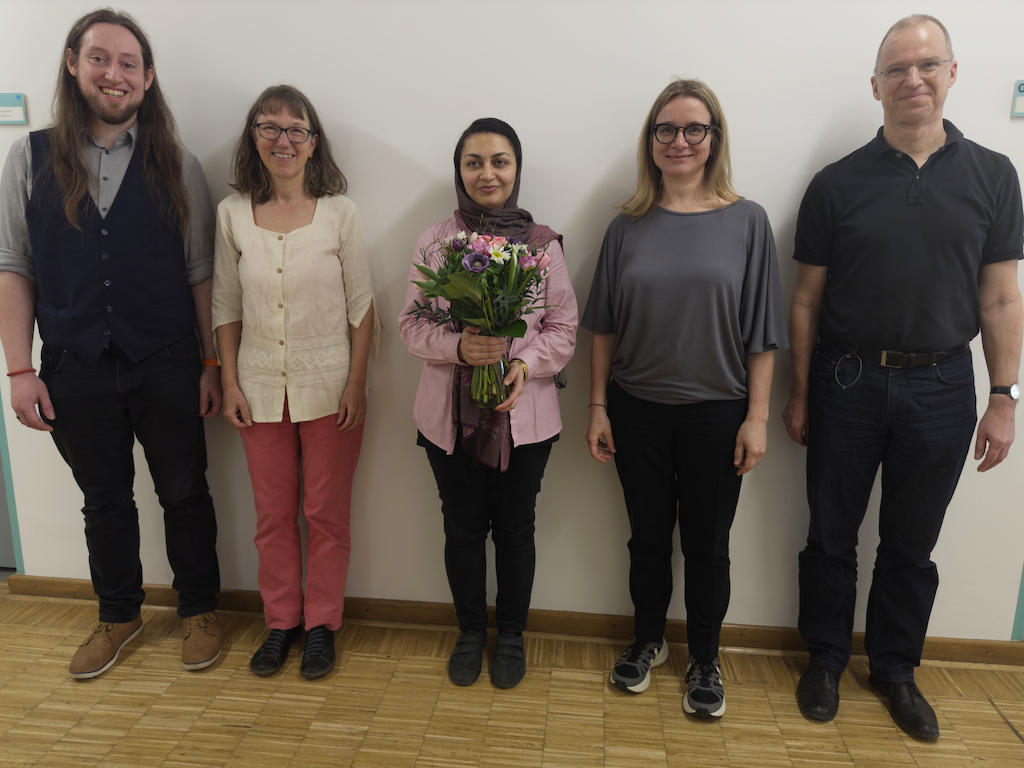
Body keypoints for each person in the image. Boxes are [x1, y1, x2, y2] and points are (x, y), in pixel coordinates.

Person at [784, 15, 1022, 741]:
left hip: (944, 386)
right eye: (896, 68)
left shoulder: (994, 176)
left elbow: (1001, 298)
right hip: (846, 380)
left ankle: (894, 669)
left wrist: (1004, 395)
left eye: (926, 65)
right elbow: (805, 300)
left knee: (911, 543)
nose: (912, 79)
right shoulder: (835, 184)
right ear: (876, 85)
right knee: (830, 534)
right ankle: (825, 660)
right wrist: (800, 392)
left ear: (952, 73)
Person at [0, 9, 222, 678]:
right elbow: (14, 266)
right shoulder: (28, 157)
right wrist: (18, 370)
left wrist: (212, 362)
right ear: (74, 64)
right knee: (103, 501)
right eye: (99, 58)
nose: (113, 73)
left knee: (185, 492)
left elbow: (201, 274)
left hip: (168, 360)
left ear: (148, 78)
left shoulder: (178, 164)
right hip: (74, 365)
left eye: (129, 63)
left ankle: (199, 610)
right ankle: (118, 614)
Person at [583, 79, 786, 718]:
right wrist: (597, 405)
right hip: (636, 408)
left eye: (694, 128)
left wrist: (757, 418)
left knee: (707, 544)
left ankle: (705, 657)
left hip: (717, 413)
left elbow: (762, 333)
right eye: (665, 129)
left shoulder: (748, 221)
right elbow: (604, 326)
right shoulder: (626, 227)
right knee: (646, 537)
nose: (679, 141)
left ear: (714, 139)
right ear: (650, 141)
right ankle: (648, 640)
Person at [398, 118, 577, 689]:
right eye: (473, 162)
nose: (487, 173)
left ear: (517, 169)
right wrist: (458, 347)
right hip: (448, 421)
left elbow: (563, 328)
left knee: (517, 530)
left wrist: (523, 364)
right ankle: (471, 632)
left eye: (500, 161)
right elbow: (411, 326)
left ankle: (513, 635)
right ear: (459, 171)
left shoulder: (542, 246)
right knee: (462, 528)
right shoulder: (436, 243)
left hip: (526, 420)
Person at [213, 85, 375, 680]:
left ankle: (322, 626)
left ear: (312, 142)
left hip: (331, 388)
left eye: (295, 129)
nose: (283, 140)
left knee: (326, 513)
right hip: (257, 389)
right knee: (273, 516)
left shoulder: (340, 213)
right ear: (254, 137)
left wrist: (356, 384)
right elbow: (226, 306)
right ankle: (281, 622)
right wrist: (230, 382)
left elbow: (363, 307)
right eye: (270, 127)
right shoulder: (232, 214)